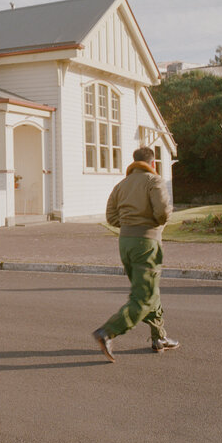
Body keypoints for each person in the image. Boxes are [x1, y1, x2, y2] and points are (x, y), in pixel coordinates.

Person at [92, 146, 180, 362]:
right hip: (146, 242)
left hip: (125, 243)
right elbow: (161, 213)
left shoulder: (120, 185)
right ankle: (107, 332)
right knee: (143, 297)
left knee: (150, 290)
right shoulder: (154, 181)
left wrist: (130, 223)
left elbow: (111, 217)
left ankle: (159, 338)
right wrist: (160, 220)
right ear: (153, 163)